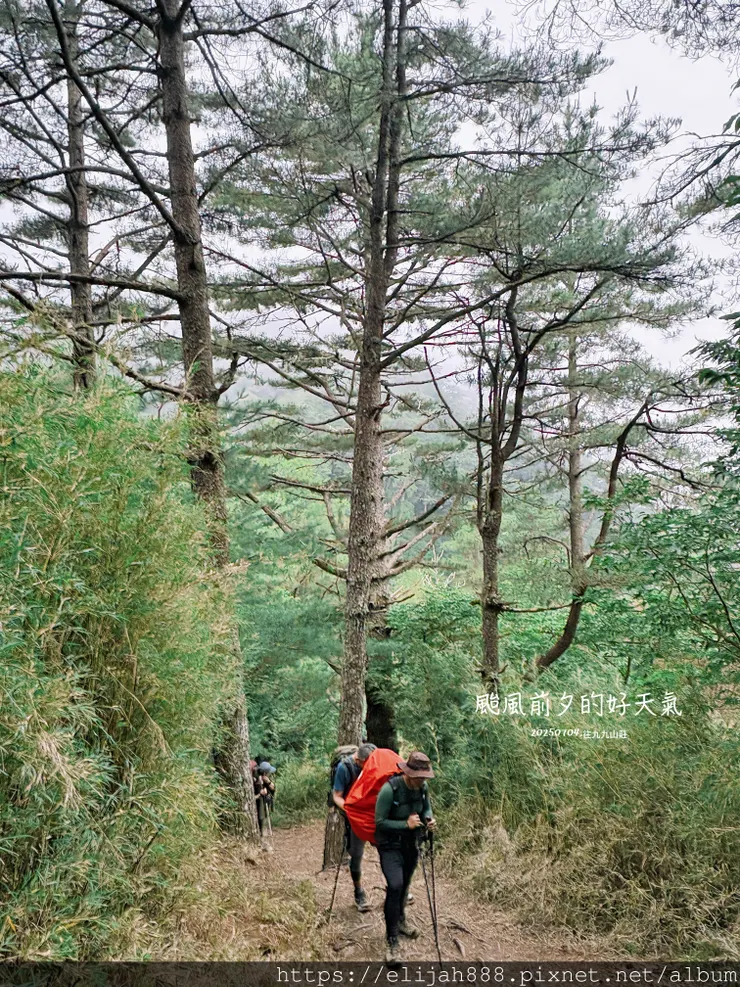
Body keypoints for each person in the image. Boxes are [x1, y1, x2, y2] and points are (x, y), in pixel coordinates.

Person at [375, 751, 436, 967]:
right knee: (395, 885)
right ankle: (391, 940)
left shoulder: (422, 788)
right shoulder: (389, 790)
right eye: (420, 777)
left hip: (411, 845)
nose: (423, 781)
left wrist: (428, 818)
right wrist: (404, 825)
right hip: (389, 846)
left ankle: (400, 919)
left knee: (405, 883)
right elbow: (379, 822)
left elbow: (426, 806)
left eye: (425, 777)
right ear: (408, 773)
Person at [332, 742, 377, 912]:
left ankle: (397, 888)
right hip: (355, 818)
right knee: (356, 855)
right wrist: (351, 811)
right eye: (367, 764)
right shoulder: (345, 768)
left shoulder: (372, 764)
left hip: (373, 816)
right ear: (359, 761)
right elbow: (336, 796)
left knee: (387, 850)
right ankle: (359, 892)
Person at [254, 760, 276, 837]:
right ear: (264, 772)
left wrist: (268, 782)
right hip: (257, 805)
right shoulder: (255, 780)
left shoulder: (266, 779)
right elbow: (252, 798)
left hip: (266, 801)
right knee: (261, 816)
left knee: (265, 815)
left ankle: (264, 830)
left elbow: (273, 788)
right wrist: (260, 793)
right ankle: (262, 833)